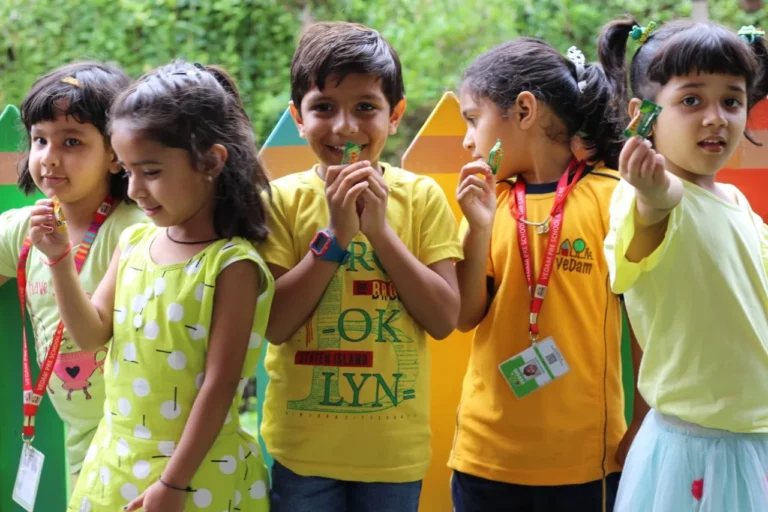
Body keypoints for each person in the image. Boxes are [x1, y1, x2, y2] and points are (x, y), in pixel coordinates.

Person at [30, 61, 274, 512]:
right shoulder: (135, 240)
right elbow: (90, 335)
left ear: (211, 162)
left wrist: (173, 484)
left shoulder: (231, 265)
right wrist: (60, 259)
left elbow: (219, 387)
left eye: (152, 172)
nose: (135, 189)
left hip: (197, 475)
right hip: (116, 461)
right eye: (126, 171)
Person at [260, 21, 463, 512]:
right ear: (298, 117)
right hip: (302, 453)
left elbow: (443, 319)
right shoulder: (281, 202)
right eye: (324, 108)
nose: (345, 127)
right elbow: (274, 324)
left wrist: (380, 233)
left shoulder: (420, 198)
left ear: (394, 116)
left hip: (392, 455)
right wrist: (335, 236)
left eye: (365, 108)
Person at [450, 37, 646, 512]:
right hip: (483, 458)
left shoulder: (613, 196)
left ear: (523, 110)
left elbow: (646, 321)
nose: (467, 139)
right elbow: (465, 315)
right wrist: (477, 229)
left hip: (585, 461)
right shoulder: (488, 200)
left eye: (474, 119)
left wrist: (642, 423)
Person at [601, 18, 768, 511]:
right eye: (691, 100)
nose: (716, 117)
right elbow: (660, 203)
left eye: (732, 100)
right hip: (695, 456)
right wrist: (651, 189)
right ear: (644, 114)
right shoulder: (647, 196)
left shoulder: (739, 203)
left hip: (755, 440)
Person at [0, 61, 144, 487]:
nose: (49, 157)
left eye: (72, 141)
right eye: (40, 139)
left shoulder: (137, 232)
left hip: (139, 441)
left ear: (116, 155)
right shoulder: (26, 229)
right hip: (76, 442)